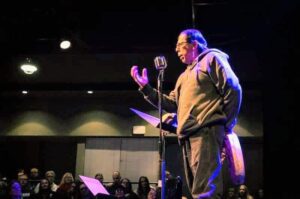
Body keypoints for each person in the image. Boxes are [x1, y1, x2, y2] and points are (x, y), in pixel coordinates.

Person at [130, 28, 242, 199]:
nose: (176, 50)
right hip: (187, 135)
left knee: (206, 190)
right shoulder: (184, 76)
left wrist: (226, 124)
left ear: (194, 44)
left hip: (205, 131)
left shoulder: (212, 58)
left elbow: (233, 88)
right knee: (197, 189)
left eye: (180, 45)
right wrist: (146, 88)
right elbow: (171, 103)